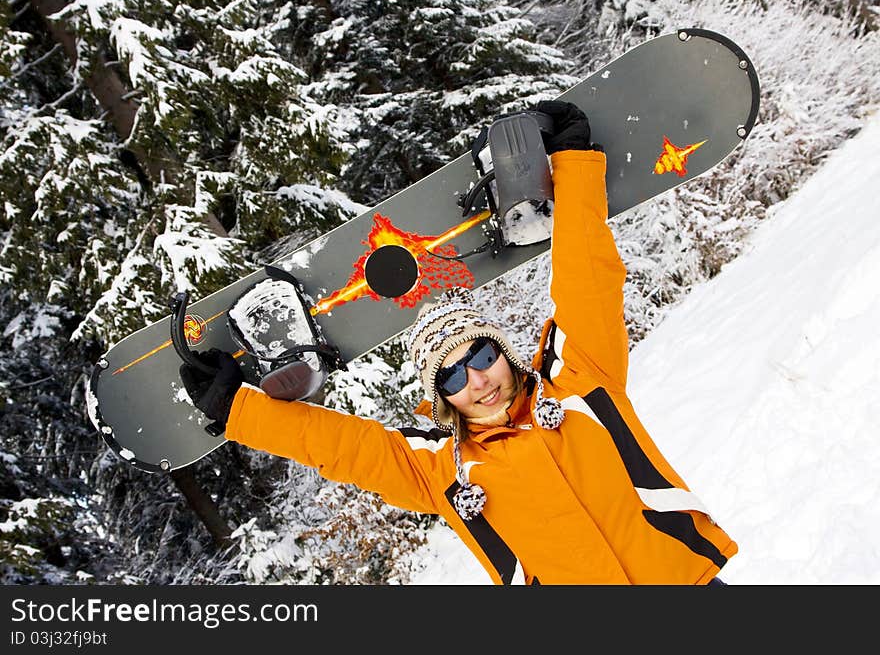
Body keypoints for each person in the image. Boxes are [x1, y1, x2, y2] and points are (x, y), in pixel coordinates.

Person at [180, 101, 738, 585]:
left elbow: (587, 279)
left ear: (503, 353)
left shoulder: (581, 385)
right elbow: (345, 448)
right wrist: (239, 411)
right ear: (443, 399)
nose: (477, 381)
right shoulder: (444, 472)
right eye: (452, 377)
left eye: (480, 356)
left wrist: (572, 169)